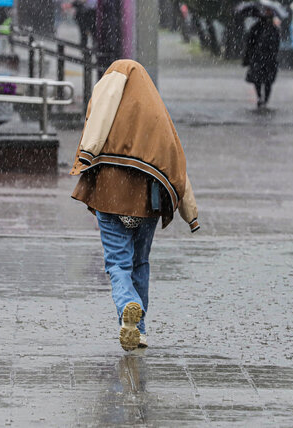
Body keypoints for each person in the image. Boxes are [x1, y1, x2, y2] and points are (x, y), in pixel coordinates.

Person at [70, 59, 200, 351]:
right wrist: (191, 214)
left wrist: (85, 157)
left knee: (118, 263)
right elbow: (176, 162)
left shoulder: (111, 107)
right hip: (148, 200)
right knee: (140, 262)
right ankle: (138, 329)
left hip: (110, 193)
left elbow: (96, 126)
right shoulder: (156, 116)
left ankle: (128, 303)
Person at [242, 13, 280, 108]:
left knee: (259, 80)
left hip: (259, 58)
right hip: (267, 59)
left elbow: (249, 44)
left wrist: (248, 57)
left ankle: (260, 98)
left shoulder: (256, 28)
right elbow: (276, 44)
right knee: (266, 81)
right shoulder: (273, 29)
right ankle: (264, 99)